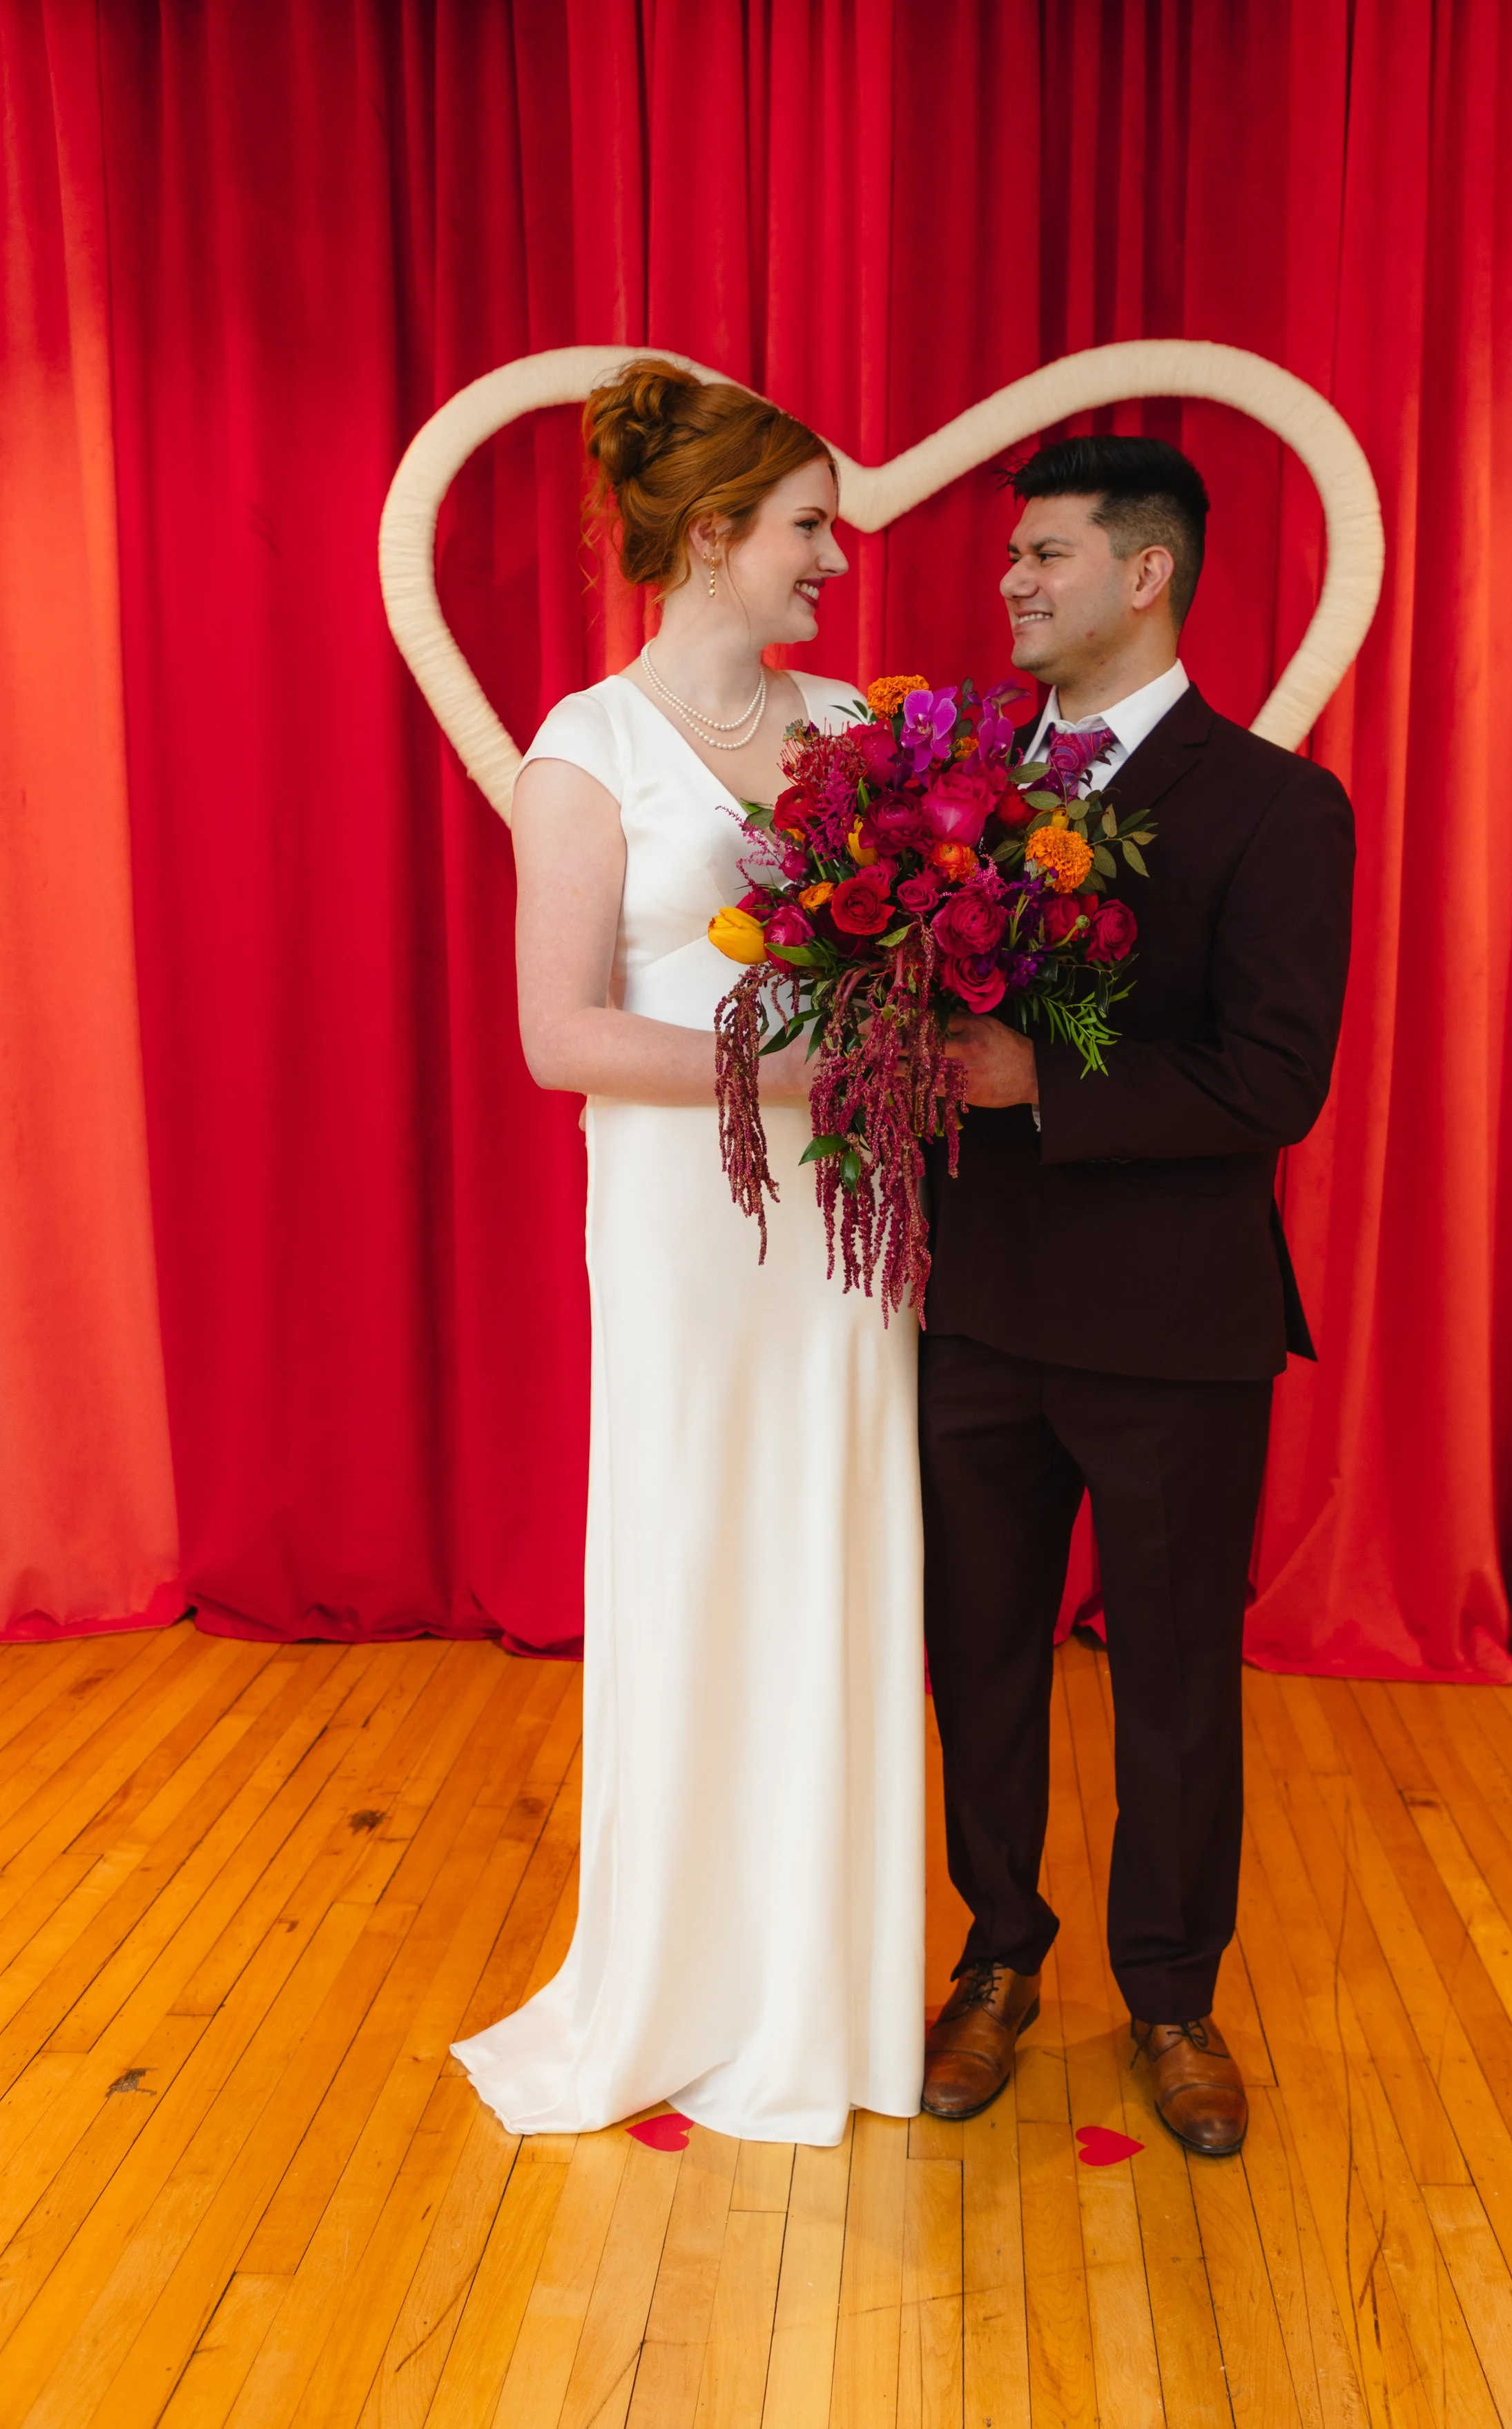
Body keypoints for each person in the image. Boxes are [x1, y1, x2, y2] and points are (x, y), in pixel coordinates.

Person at [451, 360, 924, 2146]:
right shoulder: (588, 747)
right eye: (807, 525)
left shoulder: (841, 731)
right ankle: (679, 1975)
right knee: (698, 1540)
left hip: (846, 1230)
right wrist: (823, 1068)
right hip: (679, 1225)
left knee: (835, 1538)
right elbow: (561, 1036)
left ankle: (828, 1977)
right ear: (713, 532)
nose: (833, 557)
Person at [918, 434, 1355, 2152]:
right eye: (1010, 560)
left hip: (1174, 1326)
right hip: (968, 1308)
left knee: (1174, 1675)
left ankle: (1170, 1998)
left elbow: (1272, 1081)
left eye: (1043, 556)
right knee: (977, 1659)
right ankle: (997, 1962)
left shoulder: (1271, 804)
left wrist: (1040, 1085)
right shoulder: (944, 787)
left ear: (1145, 571)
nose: (1010, 584)